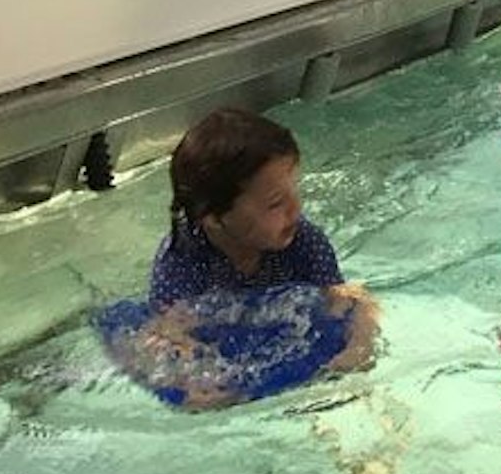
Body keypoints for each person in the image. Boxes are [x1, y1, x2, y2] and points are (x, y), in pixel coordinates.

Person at [143, 108, 379, 398]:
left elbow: (349, 299)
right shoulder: (180, 263)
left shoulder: (303, 240)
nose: (296, 209)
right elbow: (167, 335)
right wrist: (199, 379)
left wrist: (359, 344)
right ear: (215, 218)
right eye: (276, 203)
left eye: (295, 191)